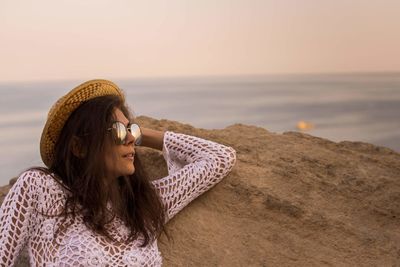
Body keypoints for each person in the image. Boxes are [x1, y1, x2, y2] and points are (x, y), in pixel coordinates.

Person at [0, 79, 237, 266]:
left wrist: (138, 133)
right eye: (117, 132)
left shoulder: (145, 204)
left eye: (131, 130)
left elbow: (219, 158)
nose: (131, 139)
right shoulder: (40, 189)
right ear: (79, 147)